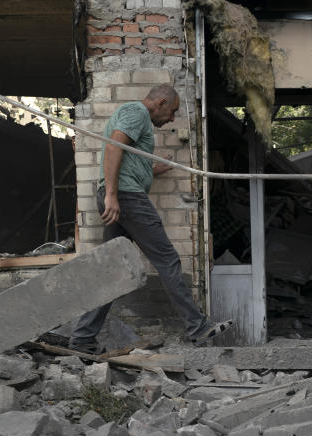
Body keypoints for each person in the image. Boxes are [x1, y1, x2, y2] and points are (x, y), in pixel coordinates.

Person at [69, 85, 230, 353]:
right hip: (127, 198)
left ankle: (83, 338)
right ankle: (198, 327)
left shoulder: (135, 117)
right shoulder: (137, 112)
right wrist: (112, 194)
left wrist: (154, 168)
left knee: (113, 270)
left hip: (122, 196)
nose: (172, 118)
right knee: (167, 259)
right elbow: (113, 148)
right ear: (161, 102)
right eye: (173, 111)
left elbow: (127, 159)